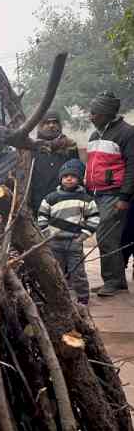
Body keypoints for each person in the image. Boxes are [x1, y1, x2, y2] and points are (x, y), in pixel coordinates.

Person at [86, 92, 134, 296]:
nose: (91, 116)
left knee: (107, 238)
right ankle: (115, 280)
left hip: (115, 194)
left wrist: (124, 197)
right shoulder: (95, 135)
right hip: (97, 194)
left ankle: (113, 281)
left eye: (94, 113)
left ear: (107, 114)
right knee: (106, 238)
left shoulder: (127, 133)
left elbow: (133, 166)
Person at [37, 160, 99, 305]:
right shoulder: (51, 198)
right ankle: (59, 298)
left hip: (75, 242)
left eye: (73, 176)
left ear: (79, 179)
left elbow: (94, 218)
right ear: (61, 179)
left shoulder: (86, 199)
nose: (69, 179)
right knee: (56, 272)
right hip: (54, 242)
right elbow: (41, 216)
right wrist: (47, 234)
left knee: (77, 272)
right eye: (66, 176)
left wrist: (84, 236)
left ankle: (83, 298)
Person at [28, 111, 79, 215]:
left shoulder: (69, 146)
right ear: (40, 126)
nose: (51, 125)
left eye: (55, 122)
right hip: (38, 200)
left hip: (64, 200)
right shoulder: (32, 147)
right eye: (47, 123)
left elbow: (77, 173)